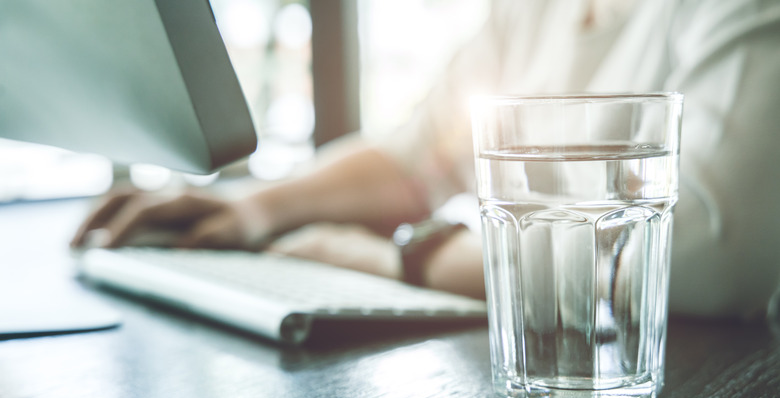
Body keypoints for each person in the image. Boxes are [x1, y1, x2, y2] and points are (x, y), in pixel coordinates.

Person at [71, 0, 780, 320]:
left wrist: (406, 264)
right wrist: (254, 206)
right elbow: (418, 157)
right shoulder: (532, 11)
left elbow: (707, 258)